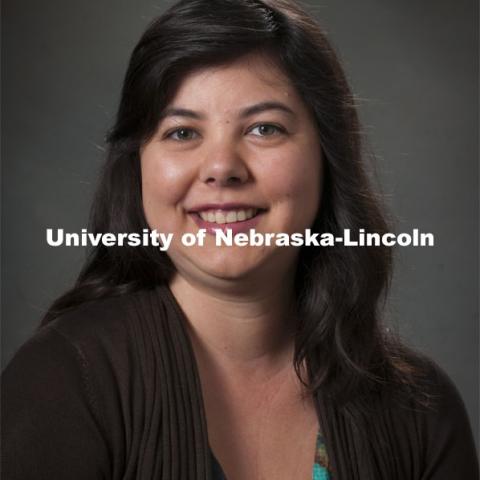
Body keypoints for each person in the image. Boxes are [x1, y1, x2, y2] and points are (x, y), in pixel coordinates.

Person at [2, 0, 478, 479]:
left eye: (264, 128)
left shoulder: (421, 410)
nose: (221, 168)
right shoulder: (65, 380)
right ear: (138, 167)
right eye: (183, 132)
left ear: (326, 155)